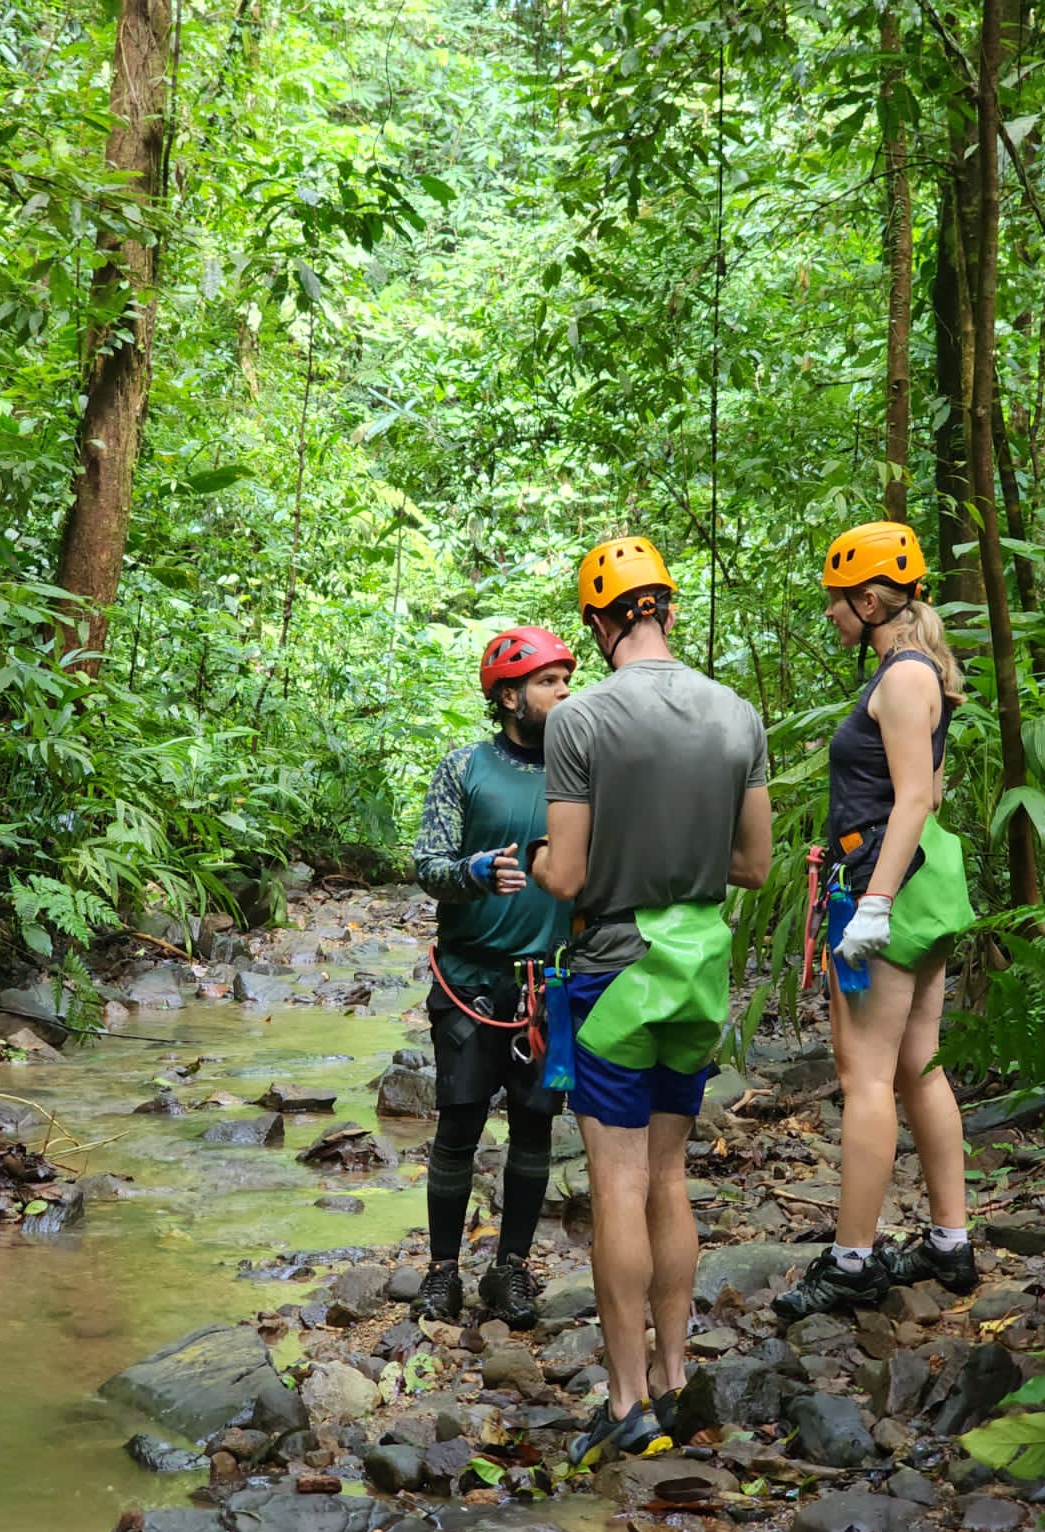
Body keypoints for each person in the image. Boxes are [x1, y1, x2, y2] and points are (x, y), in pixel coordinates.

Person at [530, 537, 772, 1466]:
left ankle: (627, 1397)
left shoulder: (580, 720)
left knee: (619, 1184)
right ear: (666, 609)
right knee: (671, 1178)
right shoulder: (737, 714)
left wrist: (548, 866)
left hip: (613, 973)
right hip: (698, 972)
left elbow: (570, 874)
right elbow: (750, 864)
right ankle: (675, 1376)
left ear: (599, 622)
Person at [772, 522, 978, 1324]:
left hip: (890, 891)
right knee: (918, 1064)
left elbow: (915, 796)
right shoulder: (920, 670)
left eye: (835, 603)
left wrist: (878, 902)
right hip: (925, 889)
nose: (830, 616)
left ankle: (854, 1258)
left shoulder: (900, 679)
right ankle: (949, 1241)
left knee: (864, 1076)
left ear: (869, 600)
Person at [410, 626, 576, 1329]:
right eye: (549, 682)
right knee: (459, 1125)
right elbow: (426, 863)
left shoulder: (583, 771)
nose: (565, 692)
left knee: (535, 1127)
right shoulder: (464, 767)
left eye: (568, 679)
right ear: (509, 696)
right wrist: (473, 874)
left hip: (551, 984)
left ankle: (510, 1270)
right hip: (470, 979)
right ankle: (442, 1273)